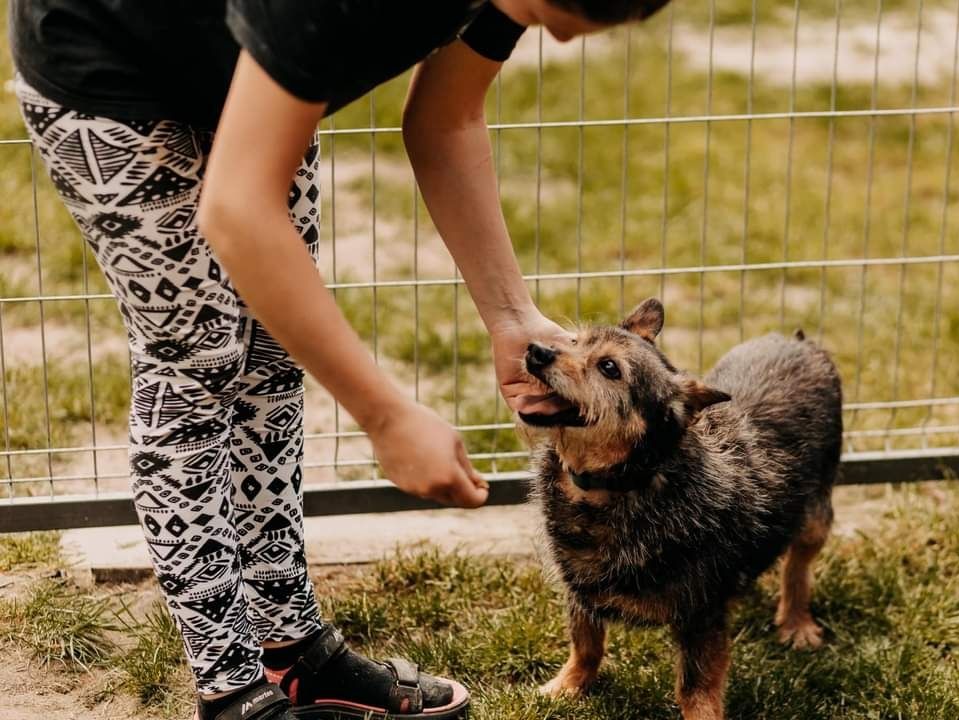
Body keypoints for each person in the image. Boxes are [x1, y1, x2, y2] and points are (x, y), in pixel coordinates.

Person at [8, 0, 669, 718]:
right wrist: (383, 416)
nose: (594, 27)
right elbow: (237, 208)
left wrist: (510, 316)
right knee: (196, 368)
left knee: (271, 359)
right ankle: (232, 694)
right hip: (111, 64)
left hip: (238, 68)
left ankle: (293, 652)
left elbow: (446, 120)